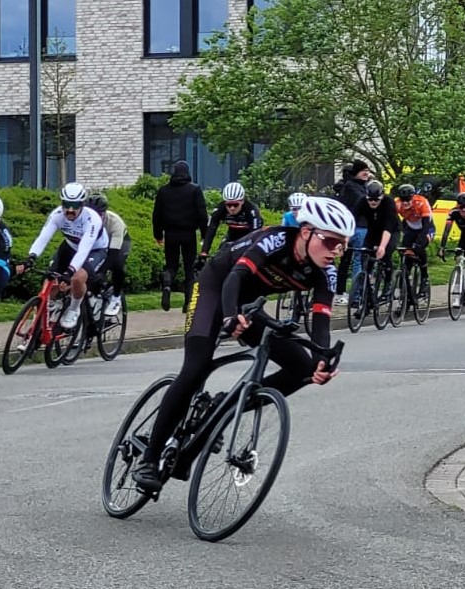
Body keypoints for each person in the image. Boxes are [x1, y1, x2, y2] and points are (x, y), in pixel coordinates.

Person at [132, 197, 356, 493]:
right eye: (330, 242)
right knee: (195, 368)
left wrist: (322, 359)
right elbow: (235, 279)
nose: (336, 252)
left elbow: (321, 322)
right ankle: (149, 459)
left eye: (343, 245)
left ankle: (224, 408)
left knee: (303, 368)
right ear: (305, 232)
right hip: (217, 288)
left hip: (249, 305)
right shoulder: (274, 240)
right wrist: (228, 317)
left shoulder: (325, 272)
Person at [17, 182, 108, 330]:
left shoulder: (92, 219)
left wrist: (69, 272)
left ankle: (73, 308)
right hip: (70, 246)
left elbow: (84, 250)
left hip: (94, 250)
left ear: (83, 204)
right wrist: (31, 257)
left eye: (76, 205)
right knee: (51, 280)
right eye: (66, 204)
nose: (70, 210)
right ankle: (44, 317)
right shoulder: (57, 215)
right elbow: (43, 238)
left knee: (77, 279)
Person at [152, 160, 209, 313]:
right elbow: (202, 214)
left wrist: (158, 235)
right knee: (190, 269)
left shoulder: (164, 191)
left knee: (171, 266)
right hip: (189, 234)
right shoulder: (194, 190)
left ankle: (167, 282)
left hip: (170, 234)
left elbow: (156, 215)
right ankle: (188, 304)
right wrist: (205, 235)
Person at [351, 180, 399, 305]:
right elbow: (351, 220)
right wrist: (345, 239)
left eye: (376, 200)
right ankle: (368, 294)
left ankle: (388, 284)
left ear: (382, 196)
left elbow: (388, 227)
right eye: (370, 199)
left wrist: (382, 247)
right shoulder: (362, 201)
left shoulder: (389, 203)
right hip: (373, 231)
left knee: (385, 253)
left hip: (391, 231)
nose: (373, 202)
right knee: (365, 258)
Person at [87, 192, 130, 316]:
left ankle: (116, 297)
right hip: (99, 244)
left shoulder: (115, 223)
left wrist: (102, 272)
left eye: (98, 214)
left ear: (104, 212)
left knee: (117, 265)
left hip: (118, 242)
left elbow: (113, 254)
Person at [334, 159, 370, 304]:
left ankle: (343, 292)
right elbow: (364, 202)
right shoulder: (352, 187)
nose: (366, 173)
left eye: (368, 171)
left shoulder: (357, 186)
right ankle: (355, 296)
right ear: (356, 173)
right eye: (363, 171)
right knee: (357, 261)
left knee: (347, 261)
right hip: (357, 227)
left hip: (350, 227)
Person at [200, 181, 263, 257]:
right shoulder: (220, 208)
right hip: (232, 235)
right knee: (219, 257)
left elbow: (255, 235)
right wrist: (204, 251)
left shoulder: (251, 210)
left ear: (242, 201)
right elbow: (211, 229)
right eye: (229, 205)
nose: (232, 208)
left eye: (235, 204)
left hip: (248, 235)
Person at [394, 184, 435, 293]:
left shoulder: (421, 202)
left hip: (426, 227)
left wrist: (420, 241)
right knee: (405, 252)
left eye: (408, 200)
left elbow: (426, 224)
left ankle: (424, 277)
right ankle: (406, 280)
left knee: (419, 247)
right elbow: (392, 220)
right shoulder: (397, 203)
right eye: (403, 200)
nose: (405, 203)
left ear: (412, 197)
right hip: (411, 228)